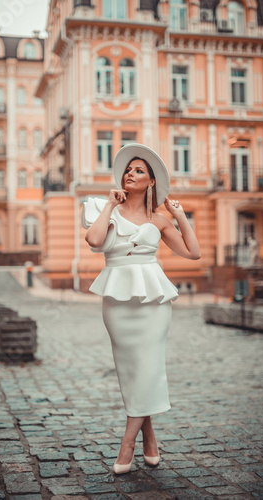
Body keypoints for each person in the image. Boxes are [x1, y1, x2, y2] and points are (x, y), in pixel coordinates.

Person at [82, 143, 201, 474]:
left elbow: (193, 253)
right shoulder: (105, 208)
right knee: (131, 370)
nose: (130, 174)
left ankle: (128, 444)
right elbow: (93, 240)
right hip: (117, 301)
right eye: (128, 170)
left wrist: (178, 215)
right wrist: (109, 204)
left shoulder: (160, 221)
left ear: (151, 182)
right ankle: (150, 440)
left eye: (139, 171)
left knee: (148, 366)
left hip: (153, 303)